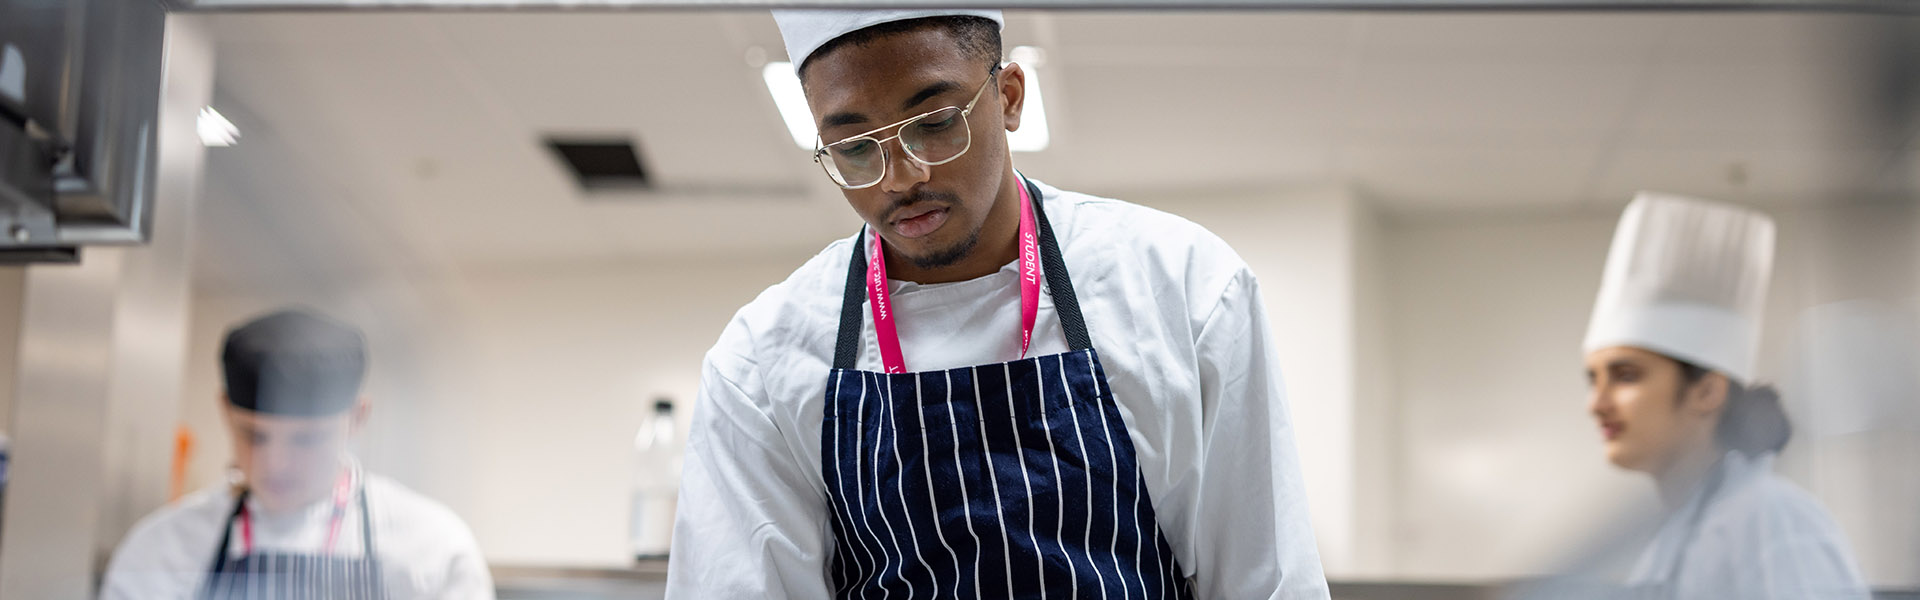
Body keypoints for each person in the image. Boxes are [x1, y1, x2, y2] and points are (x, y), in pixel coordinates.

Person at [665, 9, 1328, 599]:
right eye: (856, 148)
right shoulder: (763, 357)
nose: (902, 176)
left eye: (933, 123)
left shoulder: (1182, 286)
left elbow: (1266, 580)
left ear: (1008, 96)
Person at [1581, 193, 1869, 599]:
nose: (1596, 403)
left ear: (1707, 391)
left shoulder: (1772, 521)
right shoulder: (1671, 538)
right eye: (1592, 379)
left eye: (1626, 375)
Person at [102, 309, 494, 599]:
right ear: (224, 411)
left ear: (357, 418)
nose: (277, 463)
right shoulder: (163, 547)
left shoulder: (430, 545)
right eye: (254, 436)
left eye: (307, 440)